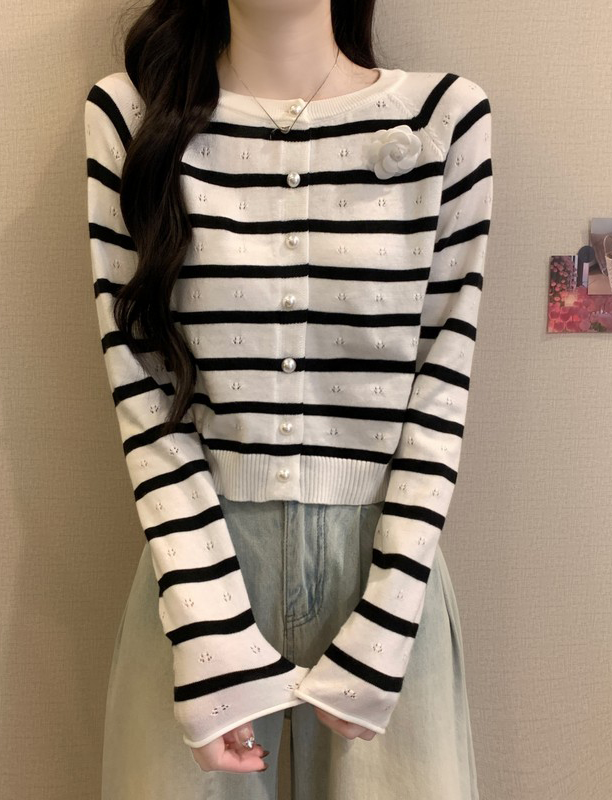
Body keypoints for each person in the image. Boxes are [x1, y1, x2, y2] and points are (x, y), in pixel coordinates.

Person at [83, 0, 492, 796]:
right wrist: (207, 629)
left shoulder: (445, 119)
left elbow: (441, 385)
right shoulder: (132, 119)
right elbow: (141, 386)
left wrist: (390, 617)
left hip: (387, 573)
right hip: (195, 570)